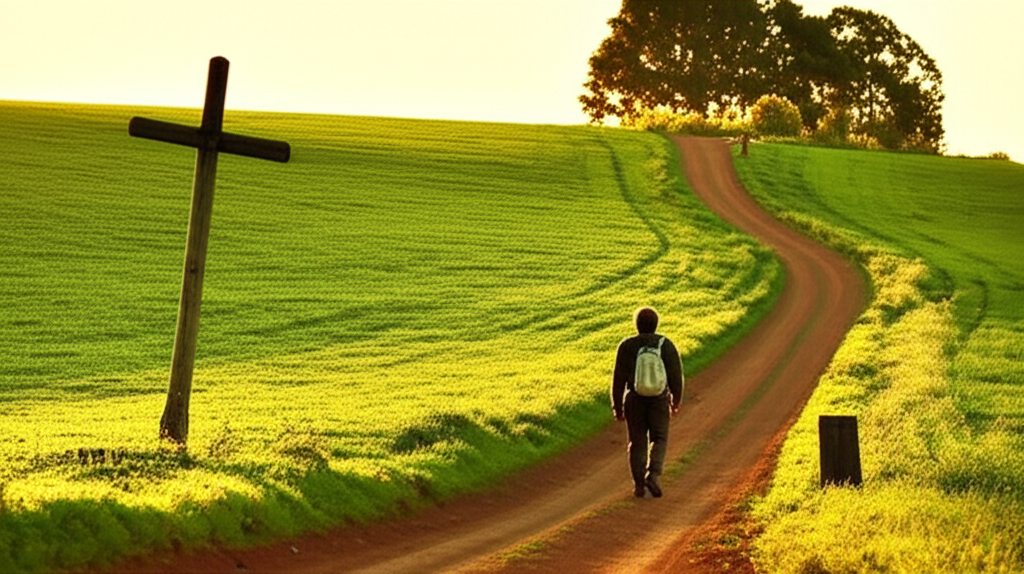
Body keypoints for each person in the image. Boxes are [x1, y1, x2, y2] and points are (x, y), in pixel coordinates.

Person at [611, 306, 684, 498]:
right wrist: (676, 400)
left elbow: (618, 380)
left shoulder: (626, 346)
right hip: (659, 400)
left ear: (637, 325)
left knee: (637, 441)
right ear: (656, 324)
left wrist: (617, 407)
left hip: (634, 399)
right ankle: (653, 475)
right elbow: (676, 376)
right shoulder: (665, 345)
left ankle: (639, 485)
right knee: (659, 438)